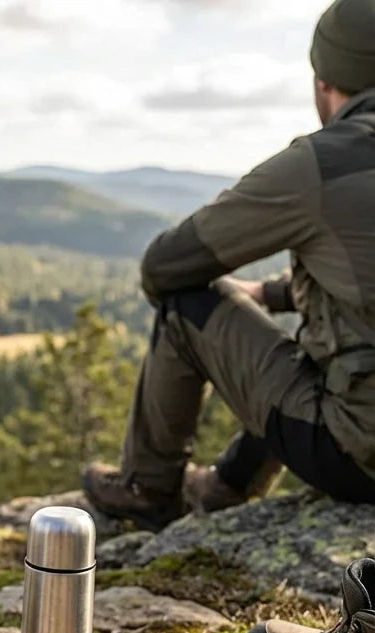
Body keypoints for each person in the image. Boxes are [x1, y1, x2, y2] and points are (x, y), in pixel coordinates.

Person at [83, 0, 375, 532]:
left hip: (361, 459)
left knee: (186, 307)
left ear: (325, 82)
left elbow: (166, 266)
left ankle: (149, 490)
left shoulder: (324, 163)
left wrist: (244, 300)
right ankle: (228, 484)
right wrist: (272, 294)